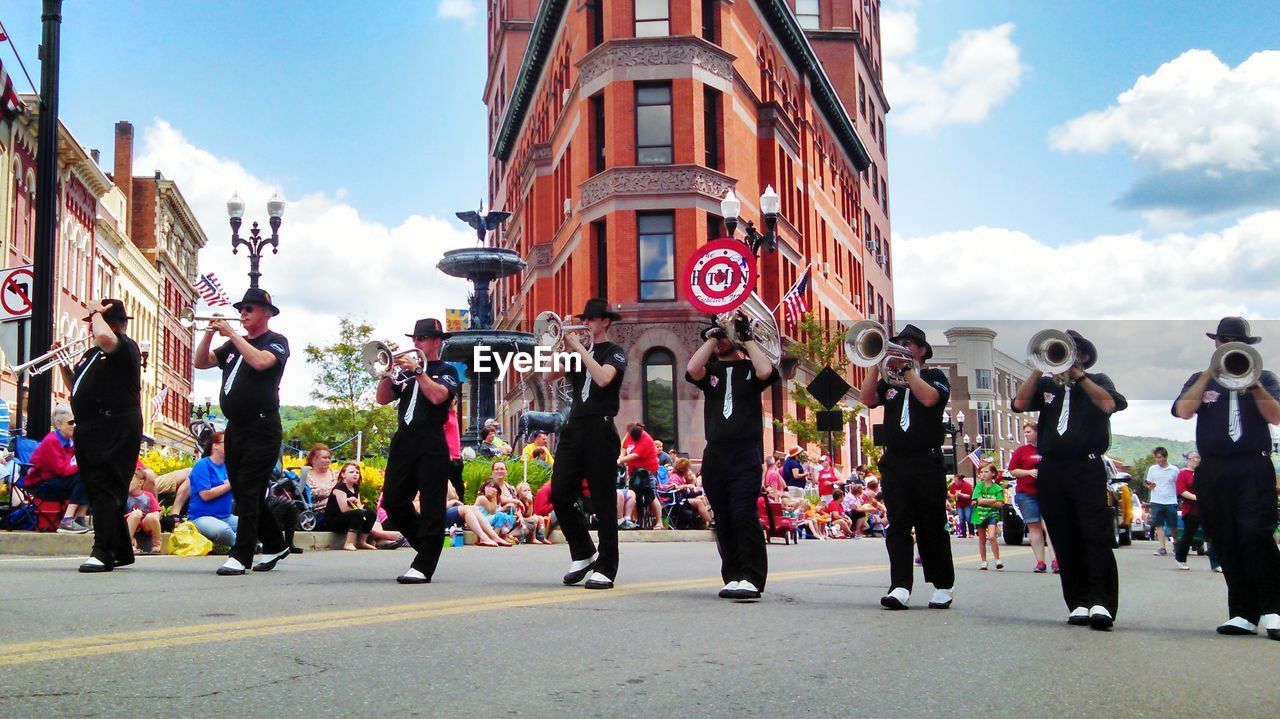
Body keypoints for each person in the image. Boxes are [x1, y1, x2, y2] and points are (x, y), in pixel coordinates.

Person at [1172, 317, 1280, 638]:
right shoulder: (1200, 379)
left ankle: (1274, 609)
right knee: (1226, 538)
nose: (1231, 347)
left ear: (1248, 346)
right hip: (1214, 469)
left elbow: (1275, 416)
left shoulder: (1266, 378)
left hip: (1252, 466)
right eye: (1225, 342)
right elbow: (1183, 411)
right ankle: (1243, 613)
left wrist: (1254, 382)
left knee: (1256, 535)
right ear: (1216, 344)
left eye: (1238, 343)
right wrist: (1210, 373)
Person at [1013, 329, 1126, 630]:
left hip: (1086, 467)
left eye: (1070, 351)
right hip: (1052, 469)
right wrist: (1039, 367)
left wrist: (1079, 377)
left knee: (1094, 535)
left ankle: (1101, 602)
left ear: (1084, 356)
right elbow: (1020, 404)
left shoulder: (1098, 381)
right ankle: (1077, 602)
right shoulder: (1048, 384)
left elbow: (1109, 406)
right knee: (1063, 537)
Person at [194, 288, 291, 576]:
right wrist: (210, 333)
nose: (243, 314)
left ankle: (242, 554)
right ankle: (275, 543)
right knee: (246, 491)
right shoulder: (233, 346)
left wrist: (233, 335)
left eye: (249, 309)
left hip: (262, 427)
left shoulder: (276, 341)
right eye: (242, 309)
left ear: (266, 313)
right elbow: (201, 361)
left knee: (249, 490)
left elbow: (261, 362)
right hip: (236, 427)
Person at [858, 324, 955, 610]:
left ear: (922, 350)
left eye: (907, 344)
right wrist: (875, 365)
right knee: (898, 525)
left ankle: (942, 585)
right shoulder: (889, 381)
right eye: (897, 343)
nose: (900, 347)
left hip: (926, 460)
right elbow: (866, 399)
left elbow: (929, 398)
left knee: (932, 524)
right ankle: (900, 585)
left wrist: (908, 370)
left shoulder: (934, 376)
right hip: (895, 460)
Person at [686, 312, 779, 600]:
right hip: (716, 453)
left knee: (742, 512)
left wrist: (746, 337)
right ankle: (733, 575)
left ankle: (752, 576)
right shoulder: (710, 371)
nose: (721, 339)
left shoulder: (752, 368)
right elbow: (692, 367)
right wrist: (713, 334)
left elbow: (767, 373)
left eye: (726, 334)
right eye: (718, 335)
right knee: (723, 517)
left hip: (745, 452)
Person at [545, 298, 627, 590]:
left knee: (604, 501)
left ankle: (606, 567)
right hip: (574, 427)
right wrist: (561, 346)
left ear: (605, 322)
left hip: (601, 428)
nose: (586, 324)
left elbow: (604, 378)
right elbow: (548, 374)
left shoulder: (615, 352)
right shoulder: (578, 354)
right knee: (560, 493)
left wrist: (580, 348)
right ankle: (583, 552)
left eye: (591, 319)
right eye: (585, 319)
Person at [376, 318, 461, 584]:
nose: (416, 343)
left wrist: (418, 372)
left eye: (422, 338)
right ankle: (426, 546)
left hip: (431, 441)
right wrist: (387, 372)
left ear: (437, 341)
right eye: (415, 338)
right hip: (404, 440)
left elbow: (438, 396)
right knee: (393, 501)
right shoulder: (405, 373)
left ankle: (424, 565)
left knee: (432, 505)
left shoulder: (447, 369)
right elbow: (382, 399)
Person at [61, 299, 144, 572]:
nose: (93, 328)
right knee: (98, 486)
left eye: (97, 320)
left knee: (105, 484)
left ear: (113, 323)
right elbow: (78, 387)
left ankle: (103, 551)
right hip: (90, 427)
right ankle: (120, 550)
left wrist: (97, 312)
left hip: (115, 424)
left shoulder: (124, 347)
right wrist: (64, 368)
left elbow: (105, 337)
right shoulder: (90, 355)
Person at [26, 404, 91, 533]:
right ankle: (67, 520)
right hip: (43, 483)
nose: (74, 425)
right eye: (70, 422)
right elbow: (62, 470)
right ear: (58, 425)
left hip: (59, 479)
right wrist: (82, 465)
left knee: (91, 476)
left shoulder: (71, 440)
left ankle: (79, 519)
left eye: (75, 422)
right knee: (84, 475)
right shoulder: (51, 441)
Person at [1008, 423, 1056, 573]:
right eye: (1025, 432)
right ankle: (1040, 562)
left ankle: (1056, 560)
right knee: (1034, 527)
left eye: (1029, 432)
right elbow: (1012, 471)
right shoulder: (1021, 451)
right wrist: (1029, 472)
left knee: (1049, 527)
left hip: (1048, 493)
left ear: (1037, 432)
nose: (1026, 435)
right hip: (1027, 494)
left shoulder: (1048, 448)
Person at [188, 431, 237, 547]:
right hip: (201, 517)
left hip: (226, 516)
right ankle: (242, 546)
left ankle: (244, 544)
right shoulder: (202, 465)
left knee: (253, 525)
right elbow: (205, 494)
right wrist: (230, 484)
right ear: (215, 445)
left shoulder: (229, 466)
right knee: (223, 531)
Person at [1173, 451, 1220, 572]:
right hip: (1192, 510)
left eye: (1198, 457)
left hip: (1207, 510)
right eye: (1192, 458)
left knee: (1212, 536)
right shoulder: (1183, 474)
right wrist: (1198, 498)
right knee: (1188, 535)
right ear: (1188, 459)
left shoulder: (1205, 474)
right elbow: (1182, 491)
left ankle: (1216, 563)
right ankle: (1181, 559)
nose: (1195, 460)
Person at [618, 422, 662, 530]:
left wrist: (620, 460)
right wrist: (621, 456)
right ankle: (634, 520)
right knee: (633, 495)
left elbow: (635, 455)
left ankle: (659, 522)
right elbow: (624, 448)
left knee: (651, 495)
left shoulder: (646, 439)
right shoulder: (630, 435)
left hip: (647, 471)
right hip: (634, 471)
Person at [325, 462, 378, 551]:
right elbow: (344, 509)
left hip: (349, 519)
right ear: (343, 475)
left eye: (357, 473)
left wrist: (357, 505)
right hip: (334, 521)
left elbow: (359, 507)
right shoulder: (340, 487)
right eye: (351, 472)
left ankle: (362, 542)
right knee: (358, 513)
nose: (355, 474)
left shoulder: (355, 489)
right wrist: (349, 502)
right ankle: (349, 542)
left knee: (371, 513)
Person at [1145, 446, 1180, 557]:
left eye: (1160, 457)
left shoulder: (1174, 470)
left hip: (1170, 500)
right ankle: (1162, 547)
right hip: (1156, 500)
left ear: (1166, 457)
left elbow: (1178, 484)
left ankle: (1176, 543)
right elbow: (1147, 483)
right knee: (1158, 524)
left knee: (1173, 525)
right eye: (1156, 458)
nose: (1158, 460)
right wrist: (1150, 485)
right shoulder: (1152, 469)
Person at [970, 463, 1004, 571]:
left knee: (992, 536)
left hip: (992, 515)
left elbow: (1000, 504)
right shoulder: (979, 486)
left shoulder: (997, 488)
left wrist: (986, 502)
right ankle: (984, 561)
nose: (983, 474)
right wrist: (993, 500)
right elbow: (979, 501)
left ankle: (997, 559)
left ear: (993, 473)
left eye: (986, 471)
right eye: (981, 472)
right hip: (979, 515)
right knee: (982, 539)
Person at [124, 467, 163, 554]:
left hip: (145, 525)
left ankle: (156, 544)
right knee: (137, 513)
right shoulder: (123, 496)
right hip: (129, 524)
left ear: (140, 482)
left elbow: (156, 512)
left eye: (130, 480)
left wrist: (154, 519)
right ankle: (127, 543)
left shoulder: (148, 496)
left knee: (152, 516)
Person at [302, 444, 337, 521]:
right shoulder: (306, 476)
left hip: (337, 512)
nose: (328, 460)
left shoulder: (336, 475)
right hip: (317, 515)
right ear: (313, 459)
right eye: (324, 458)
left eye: (329, 458)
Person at [949, 474, 973, 539]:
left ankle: (971, 533)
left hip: (967, 504)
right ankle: (963, 533)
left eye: (956, 480)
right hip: (959, 504)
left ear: (960, 480)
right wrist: (952, 496)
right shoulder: (953, 485)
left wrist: (961, 495)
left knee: (968, 518)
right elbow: (952, 494)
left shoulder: (967, 485)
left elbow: (970, 496)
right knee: (961, 518)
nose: (955, 482)